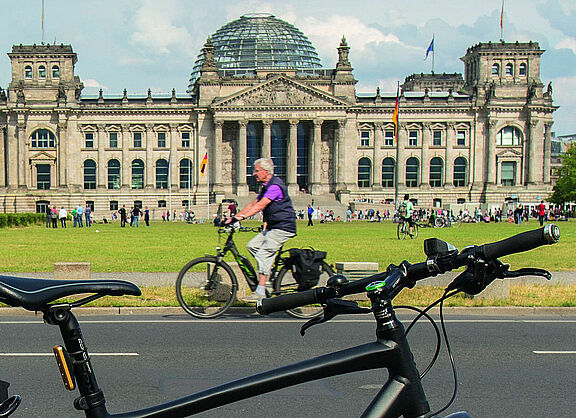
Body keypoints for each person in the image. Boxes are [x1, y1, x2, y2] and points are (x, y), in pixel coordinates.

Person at [224, 158, 296, 301]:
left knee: (263, 254)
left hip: (283, 227)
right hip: (273, 226)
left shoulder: (275, 186)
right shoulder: (267, 187)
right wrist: (234, 217)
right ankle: (267, 278)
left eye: (257, 171)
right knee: (253, 246)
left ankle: (261, 291)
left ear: (266, 172)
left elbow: (260, 206)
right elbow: (253, 204)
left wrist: (241, 218)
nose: (254, 174)